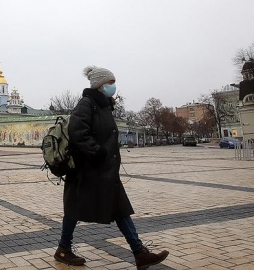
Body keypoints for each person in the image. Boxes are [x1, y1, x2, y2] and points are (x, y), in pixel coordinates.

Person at [53, 66, 169, 269]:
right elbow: (78, 131)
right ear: (99, 85)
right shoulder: (87, 104)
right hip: (87, 169)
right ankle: (64, 249)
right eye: (110, 83)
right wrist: (98, 152)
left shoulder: (104, 105)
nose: (113, 86)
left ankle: (139, 252)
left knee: (119, 208)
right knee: (74, 208)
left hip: (103, 170)